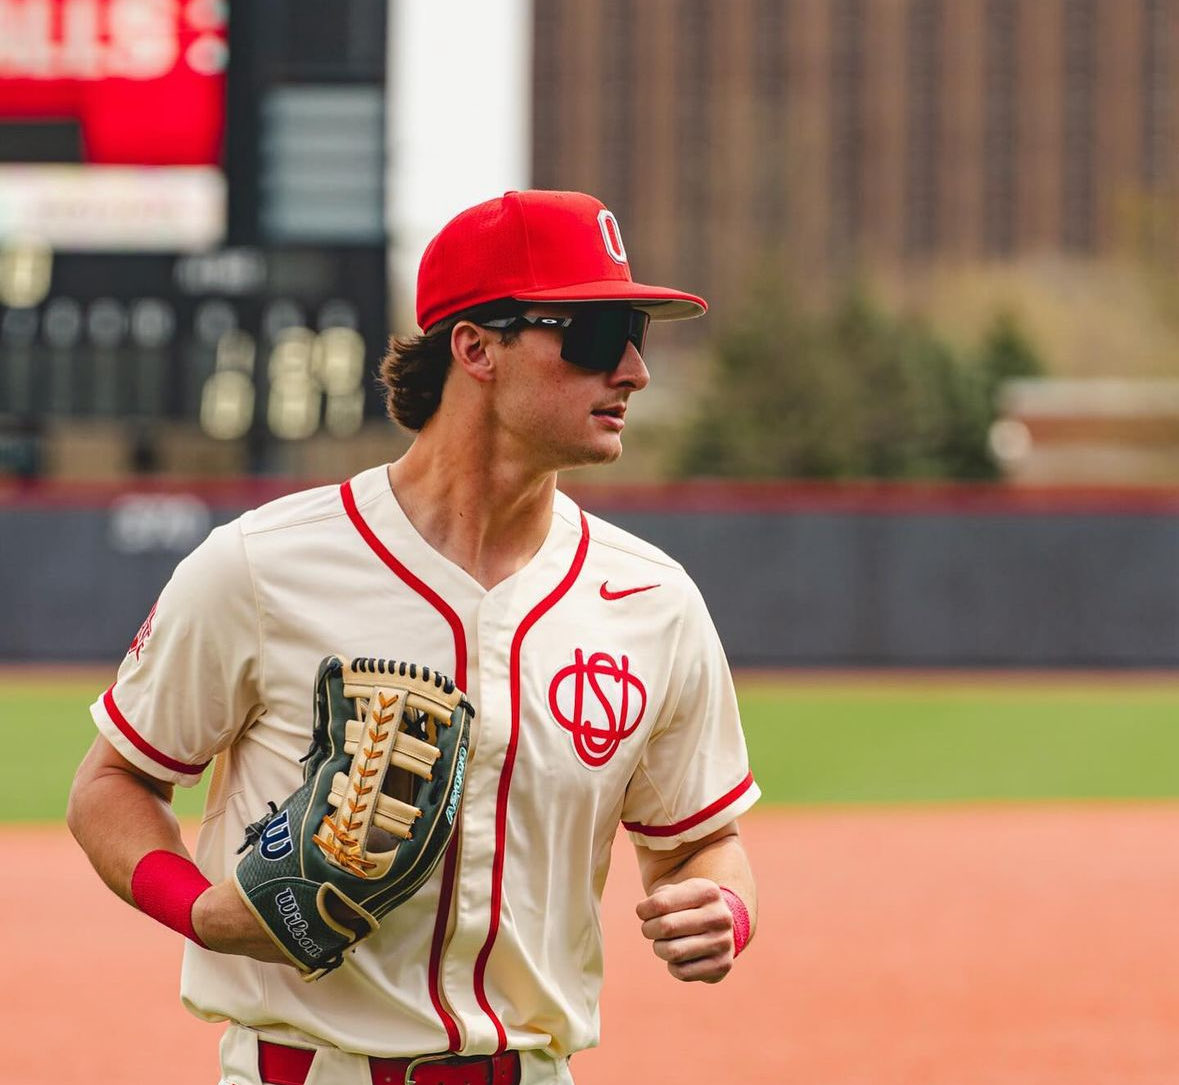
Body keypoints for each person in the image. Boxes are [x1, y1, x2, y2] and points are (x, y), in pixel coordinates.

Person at [68, 189, 760, 1085]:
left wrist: (721, 902)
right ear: (474, 346)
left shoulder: (651, 599)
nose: (631, 368)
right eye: (593, 334)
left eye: (635, 333)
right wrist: (200, 909)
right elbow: (110, 781)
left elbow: (698, 839)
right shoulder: (262, 565)